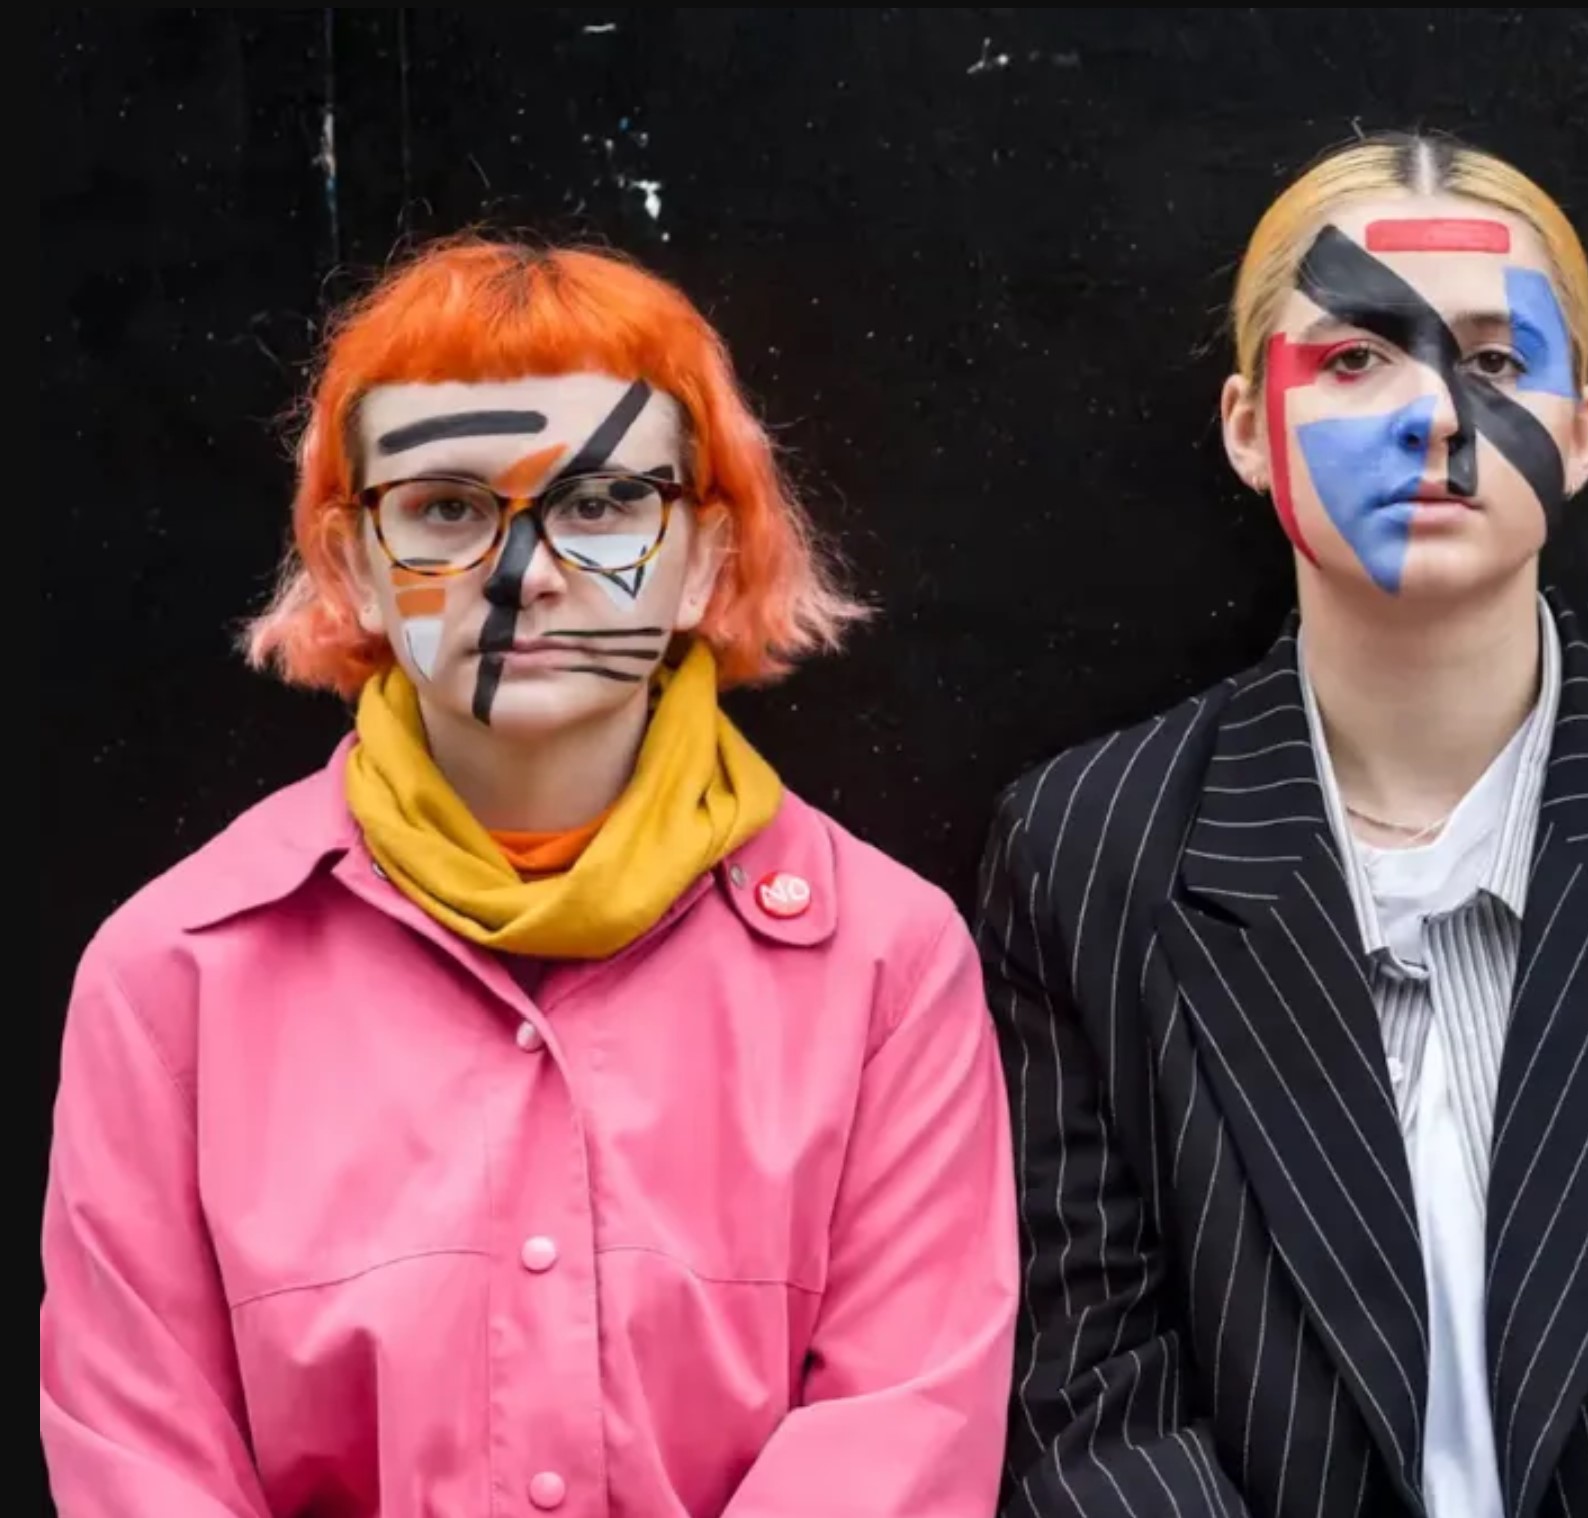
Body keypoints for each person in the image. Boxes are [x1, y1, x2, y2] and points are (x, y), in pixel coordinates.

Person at [980, 133, 1588, 1518]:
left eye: (1495, 359)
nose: (1434, 415)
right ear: (1245, 425)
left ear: (1583, 427)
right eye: (1356, 359)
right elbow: (1092, 1380)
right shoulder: (1086, 849)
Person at [40, 239, 1017, 1516]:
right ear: (352, 568)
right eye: (447, 508)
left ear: (708, 558)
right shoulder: (171, 974)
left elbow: (903, 1430)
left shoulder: (884, 960)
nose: (526, 573)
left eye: (604, 502)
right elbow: (140, 1455)